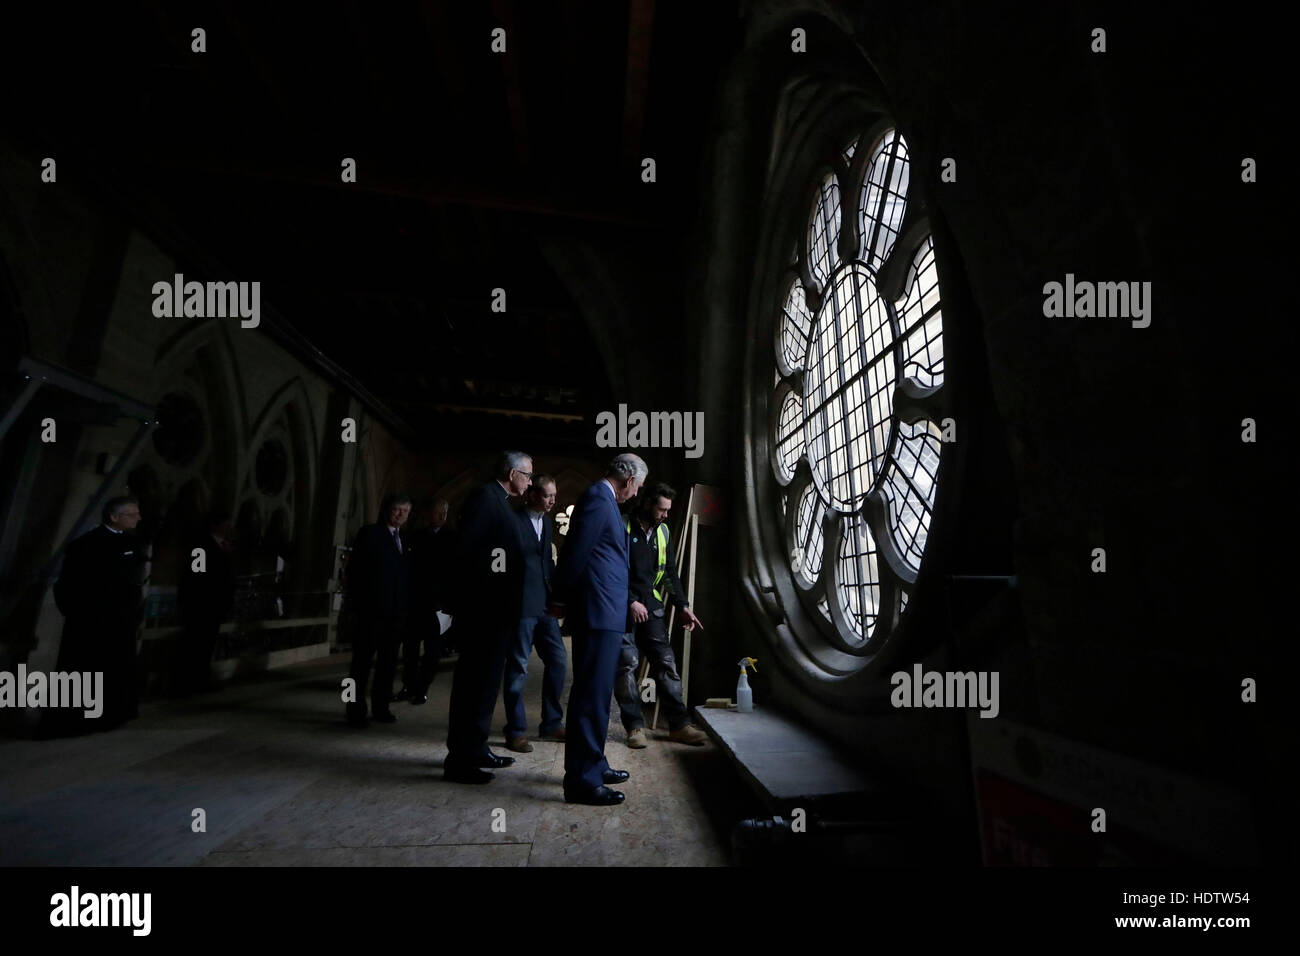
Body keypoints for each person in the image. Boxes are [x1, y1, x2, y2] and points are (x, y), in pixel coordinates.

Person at [549, 453, 646, 806]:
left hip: (605, 610)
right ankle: (582, 781)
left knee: (599, 694)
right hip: (596, 611)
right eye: (637, 488)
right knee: (590, 696)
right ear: (629, 480)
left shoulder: (604, 500)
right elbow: (575, 552)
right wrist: (560, 599)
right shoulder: (596, 498)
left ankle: (595, 761)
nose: (635, 496)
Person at [443, 452, 531, 784]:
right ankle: (459, 760)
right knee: (472, 686)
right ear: (512, 473)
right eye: (527, 475)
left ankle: (477, 747)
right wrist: (480, 601)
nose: (530, 482)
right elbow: (469, 553)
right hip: (484, 613)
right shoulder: (485, 498)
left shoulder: (501, 501)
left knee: (487, 685)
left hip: (498, 613)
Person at [613, 482, 706, 747]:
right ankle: (634, 727)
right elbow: (611, 570)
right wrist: (630, 601)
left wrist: (683, 606)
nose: (666, 515)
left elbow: (669, 574)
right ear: (646, 504)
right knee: (626, 665)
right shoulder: (622, 526)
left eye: (668, 510)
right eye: (661, 509)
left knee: (666, 664)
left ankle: (680, 725)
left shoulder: (663, 531)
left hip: (652, 608)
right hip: (622, 609)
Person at [50, 496, 146, 732]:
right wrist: (78, 612)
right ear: (114, 517)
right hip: (90, 619)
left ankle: (111, 714)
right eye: (131, 514)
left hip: (120, 619)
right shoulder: (87, 544)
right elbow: (69, 584)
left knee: (114, 669)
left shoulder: (132, 543)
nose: (138, 518)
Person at [502, 475, 567, 752]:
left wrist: (557, 599)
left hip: (544, 607)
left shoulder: (548, 522)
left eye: (554, 496)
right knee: (518, 668)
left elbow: (545, 563)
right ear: (531, 495)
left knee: (558, 661)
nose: (552, 501)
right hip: (520, 607)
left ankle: (551, 723)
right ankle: (515, 730)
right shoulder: (512, 520)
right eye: (547, 496)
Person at [344, 492, 411, 727]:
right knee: (359, 666)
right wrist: (355, 607)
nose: (401, 514)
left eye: (405, 510)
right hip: (370, 613)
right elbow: (355, 573)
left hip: (394, 616)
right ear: (386, 510)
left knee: (387, 665)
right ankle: (352, 709)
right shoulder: (370, 533)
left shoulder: (404, 540)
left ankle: (381, 708)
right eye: (397, 509)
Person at [395, 499, 452, 705]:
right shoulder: (416, 537)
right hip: (416, 603)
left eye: (442, 513)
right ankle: (408, 685)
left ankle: (422, 688)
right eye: (436, 513)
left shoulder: (453, 539)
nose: (439, 517)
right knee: (410, 648)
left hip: (441, 608)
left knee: (433, 652)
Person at [175, 511, 235, 695]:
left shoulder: (223, 547)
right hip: (201, 605)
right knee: (195, 644)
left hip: (214, 605)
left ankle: (199, 680)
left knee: (206, 644)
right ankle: (189, 683)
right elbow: (196, 576)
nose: (228, 528)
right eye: (225, 524)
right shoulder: (202, 547)